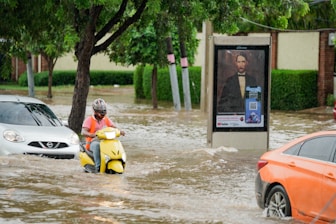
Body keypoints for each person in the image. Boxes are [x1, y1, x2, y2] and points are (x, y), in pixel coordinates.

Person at [81, 98, 125, 173]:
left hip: (105, 141)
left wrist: (120, 131)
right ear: (95, 111)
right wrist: (91, 134)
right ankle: (98, 167)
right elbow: (83, 132)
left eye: (103, 112)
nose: (102, 114)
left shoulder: (106, 119)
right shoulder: (89, 120)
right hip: (92, 142)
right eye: (101, 113)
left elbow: (114, 127)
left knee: (116, 143)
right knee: (97, 146)